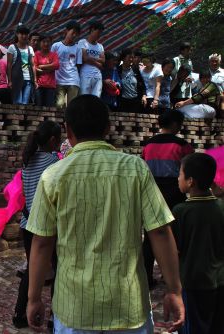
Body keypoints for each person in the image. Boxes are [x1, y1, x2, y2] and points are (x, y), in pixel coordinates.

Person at [25, 95, 185, 333]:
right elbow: (160, 232)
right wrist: (174, 290)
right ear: (108, 127)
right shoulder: (135, 169)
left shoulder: (53, 176)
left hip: (74, 309)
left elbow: (41, 243)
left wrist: (34, 298)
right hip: (128, 308)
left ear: (67, 130)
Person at [13, 120, 60, 329]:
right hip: (48, 225)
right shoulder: (53, 161)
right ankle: (54, 317)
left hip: (27, 223)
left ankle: (19, 314)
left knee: (33, 269)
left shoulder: (28, 160)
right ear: (52, 140)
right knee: (59, 270)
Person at [141, 110, 194, 288]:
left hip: (152, 191)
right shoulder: (182, 145)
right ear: (174, 124)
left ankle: (146, 278)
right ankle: (173, 276)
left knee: (150, 235)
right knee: (176, 234)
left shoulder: (148, 145)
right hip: (174, 191)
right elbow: (189, 169)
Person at [173, 153, 224, 333]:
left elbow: (176, 249)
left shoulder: (181, 211)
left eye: (180, 174)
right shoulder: (220, 206)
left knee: (193, 327)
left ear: (190, 181)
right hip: (220, 279)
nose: (177, 178)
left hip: (193, 282)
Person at [52, 21, 82, 110]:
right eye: (73, 33)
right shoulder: (56, 46)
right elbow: (51, 62)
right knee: (59, 105)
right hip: (58, 81)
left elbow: (78, 65)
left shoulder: (78, 48)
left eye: (76, 34)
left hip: (73, 81)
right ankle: (61, 124)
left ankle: (69, 123)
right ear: (66, 31)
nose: (74, 35)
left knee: (72, 107)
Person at [7, 25, 36, 105]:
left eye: (26, 34)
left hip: (28, 80)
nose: (24, 36)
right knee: (17, 102)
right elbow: (9, 65)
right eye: (22, 34)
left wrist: (35, 80)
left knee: (25, 103)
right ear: (17, 34)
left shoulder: (30, 49)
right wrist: (9, 80)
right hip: (16, 79)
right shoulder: (12, 47)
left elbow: (33, 65)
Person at [77, 21, 105, 97]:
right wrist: (97, 63)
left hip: (98, 76)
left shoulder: (100, 46)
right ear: (92, 30)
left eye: (101, 33)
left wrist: (91, 59)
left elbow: (103, 60)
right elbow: (85, 58)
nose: (99, 35)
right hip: (85, 74)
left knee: (96, 99)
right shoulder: (82, 42)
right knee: (84, 98)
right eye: (98, 32)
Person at [117, 48, 147, 113]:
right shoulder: (118, 70)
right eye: (129, 57)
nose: (131, 59)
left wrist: (144, 95)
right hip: (122, 102)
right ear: (123, 58)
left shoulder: (135, 69)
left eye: (132, 57)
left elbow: (142, 84)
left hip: (135, 101)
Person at [33, 34, 59, 107]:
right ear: (40, 43)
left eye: (48, 42)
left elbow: (57, 65)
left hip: (50, 86)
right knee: (38, 107)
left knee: (49, 108)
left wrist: (42, 66)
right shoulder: (36, 54)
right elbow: (34, 68)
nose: (46, 44)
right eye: (44, 41)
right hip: (39, 85)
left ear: (51, 43)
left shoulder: (54, 54)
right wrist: (49, 69)